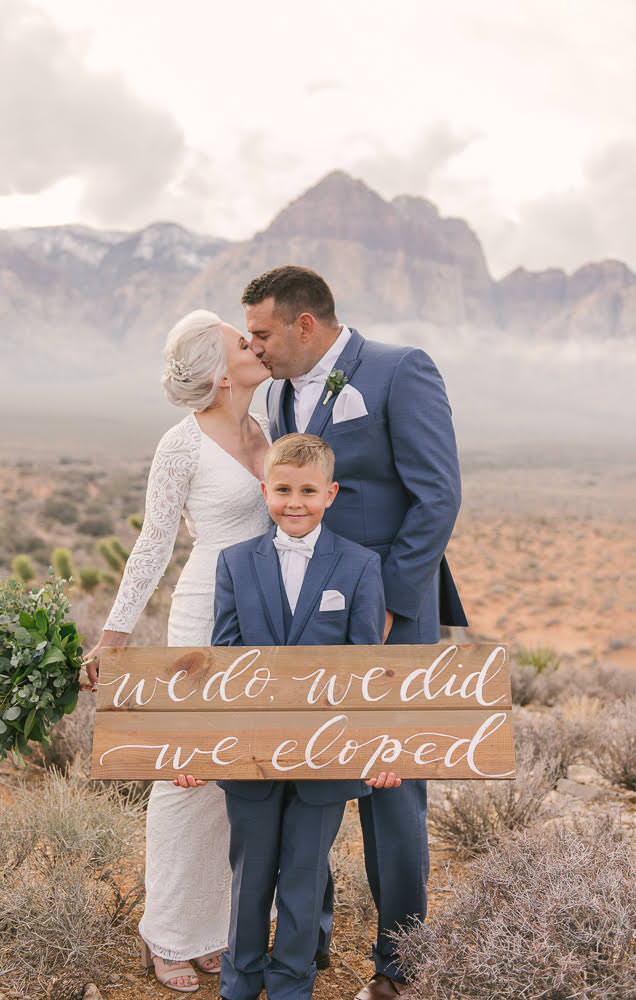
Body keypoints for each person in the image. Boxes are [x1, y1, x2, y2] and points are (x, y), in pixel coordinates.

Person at [241, 266, 467, 1000]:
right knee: (306, 772)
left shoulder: (402, 370)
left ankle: (400, 966)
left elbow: (437, 495)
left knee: (391, 790)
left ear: (305, 326)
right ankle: (311, 941)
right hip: (302, 617)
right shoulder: (276, 393)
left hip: (390, 621)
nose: (257, 350)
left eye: (264, 334)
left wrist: (394, 604)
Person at [84, 309, 272, 993]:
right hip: (202, 617)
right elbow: (153, 542)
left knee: (240, 775)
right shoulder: (183, 444)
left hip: (265, 621)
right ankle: (165, 936)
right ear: (221, 373)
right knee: (184, 776)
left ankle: (215, 931)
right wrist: (114, 635)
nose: (253, 345)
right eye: (239, 342)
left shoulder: (269, 429)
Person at [211, 433, 387, 1000]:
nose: (294, 502)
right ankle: (239, 983)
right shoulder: (235, 563)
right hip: (251, 752)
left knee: (305, 876)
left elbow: (367, 672)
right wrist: (198, 748)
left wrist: (380, 750)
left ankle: (291, 984)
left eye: (308, 491)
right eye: (282, 489)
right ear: (265, 490)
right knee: (250, 875)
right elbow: (223, 663)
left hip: (327, 756)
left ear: (330, 494)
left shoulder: (360, 565)